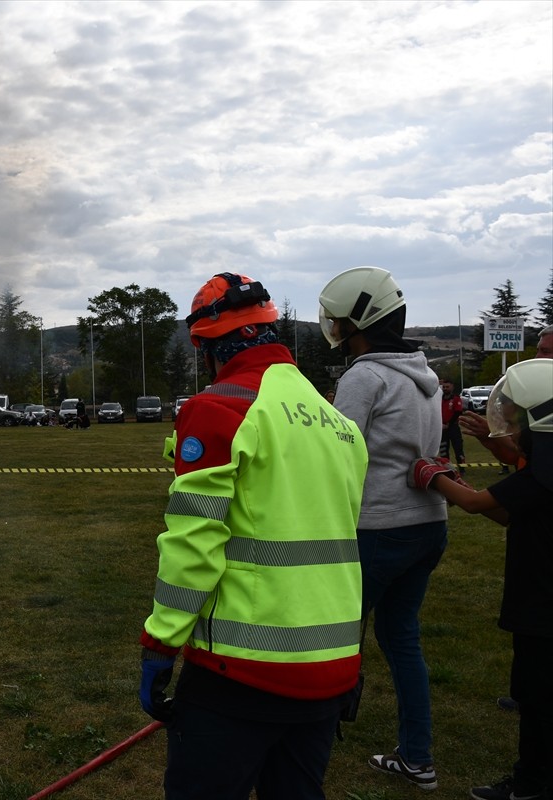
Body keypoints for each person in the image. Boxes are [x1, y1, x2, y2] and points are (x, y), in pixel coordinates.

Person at [139, 272, 368, 800]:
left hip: (239, 674)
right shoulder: (337, 423)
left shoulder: (218, 409)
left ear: (206, 347)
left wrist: (161, 643)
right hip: (331, 669)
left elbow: (193, 547)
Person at [318, 266, 446, 789]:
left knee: (331, 640)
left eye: (338, 320)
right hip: (428, 524)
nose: (334, 329)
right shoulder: (423, 373)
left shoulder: (364, 377)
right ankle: (418, 757)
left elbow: (337, 453)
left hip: (377, 528)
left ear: (358, 322)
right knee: (401, 639)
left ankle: (306, 747)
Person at [409, 358, 552, 800]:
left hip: (541, 605)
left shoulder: (541, 477)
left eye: (516, 420)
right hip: (541, 601)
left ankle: (530, 784)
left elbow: (475, 505)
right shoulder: (540, 474)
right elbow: (506, 514)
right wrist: (465, 483)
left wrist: (435, 476)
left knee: (538, 700)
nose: (510, 428)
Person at [460, 324, 553, 474]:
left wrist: (496, 435)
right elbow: (516, 457)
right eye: (538, 350)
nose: (537, 358)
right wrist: (490, 440)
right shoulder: (540, 398)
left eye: (545, 351)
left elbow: (535, 451)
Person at [439, 380, 467, 472]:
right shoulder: (440, 399)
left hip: (453, 427)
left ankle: (462, 468)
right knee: (443, 449)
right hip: (442, 428)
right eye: (444, 387)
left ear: (452, 387)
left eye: (447, 387)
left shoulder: (456, 398)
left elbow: (458, 412)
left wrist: (448, 424)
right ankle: (447, 468)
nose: (445, 389)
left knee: (458, 448)